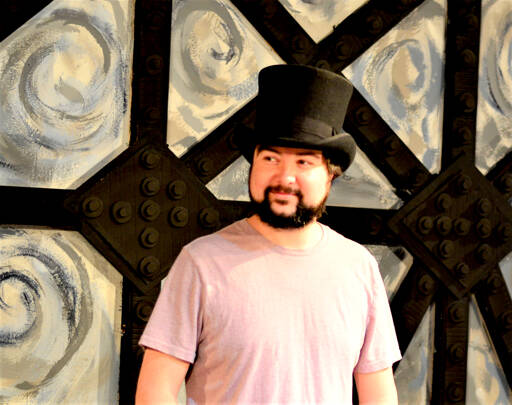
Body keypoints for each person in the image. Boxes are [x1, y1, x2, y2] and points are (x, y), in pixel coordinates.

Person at [136, 64, 402, 404]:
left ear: (330, 176)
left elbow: (379, 394)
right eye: (271, 158)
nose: (284, 177)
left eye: (303, 162)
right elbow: (155, 391)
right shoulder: (202, 262)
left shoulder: (358, 267)